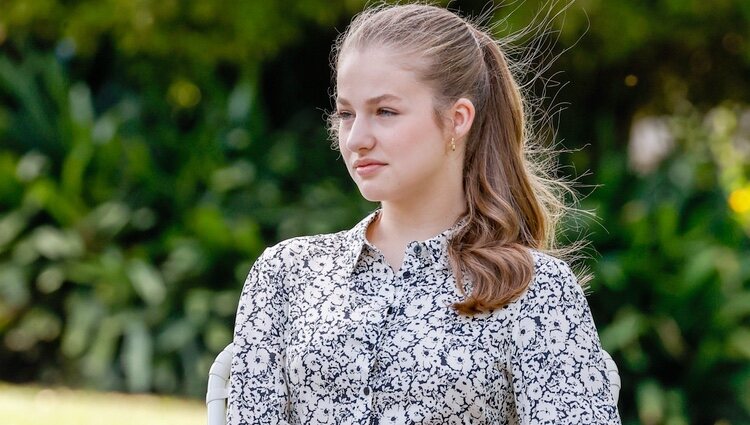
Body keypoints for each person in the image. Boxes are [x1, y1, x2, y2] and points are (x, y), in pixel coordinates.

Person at [227, 3, 621, 424]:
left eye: (385, 112)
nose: (356, 138)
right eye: (346, 114)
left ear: (457, 119)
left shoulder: (534, 291)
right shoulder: (286, 274)